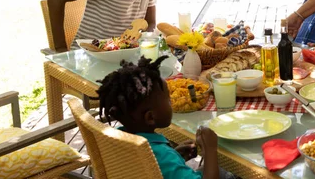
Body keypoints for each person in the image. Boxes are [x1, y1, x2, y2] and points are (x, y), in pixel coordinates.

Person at [96, 56, 225, 179]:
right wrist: (210, 149)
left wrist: (175, 155)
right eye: (168, 100)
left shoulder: (119, 138)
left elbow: (145, 168)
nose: (171, 103)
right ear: (150, 117)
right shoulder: (163, 157)